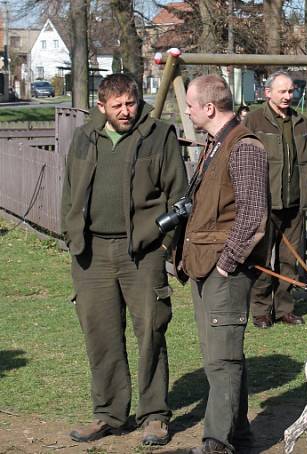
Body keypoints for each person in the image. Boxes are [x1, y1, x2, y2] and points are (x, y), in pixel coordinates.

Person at [61, 73, 187, 445]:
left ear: (138, 100)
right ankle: (109, 413)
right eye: (116, 106)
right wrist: (73, 237)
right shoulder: (85, 137)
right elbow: (69, 191)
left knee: (150, 330)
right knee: (100, 335)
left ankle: (154, 415)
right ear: (102, 106)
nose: (125, 111)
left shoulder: (159, 134)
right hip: (92, 254)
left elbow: (177, 195)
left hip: (143, 254)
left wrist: (163, 245)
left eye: (130, 103)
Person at [179, 75, 269, 453]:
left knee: (222, 362)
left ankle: (216, 443)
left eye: (191, 104)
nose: (187, 110)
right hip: (206, 267)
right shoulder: (216, 144)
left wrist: (226, 265)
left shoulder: (244, 147)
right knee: (223, 355)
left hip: (224, 272)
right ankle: (239, 435)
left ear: (210, 108)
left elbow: (252, 216)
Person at [246, 70, 307, 328]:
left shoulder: (301, 121)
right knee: (263, 259)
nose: (288, 96)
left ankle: (285, 308)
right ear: (268, 93)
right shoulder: (254, 121)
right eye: (282, 91)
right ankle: (261, 310)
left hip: (294, 204)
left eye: (291, 91)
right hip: (265, 203)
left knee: (290, 259)